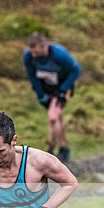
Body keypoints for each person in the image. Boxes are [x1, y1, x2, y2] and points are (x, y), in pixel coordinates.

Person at [23, 32, 82, 163]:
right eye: (32, 52)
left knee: (53, 117)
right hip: (46, 87)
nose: (34, 56)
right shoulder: (28, 56)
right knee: (56, 118)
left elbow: (76, 70)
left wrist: (63, 90)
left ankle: (50, 150)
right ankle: (64, 149)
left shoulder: (59, 54)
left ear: (44, 47)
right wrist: (40, 94)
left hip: (62, 86)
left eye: (36, 53)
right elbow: (32, 76)